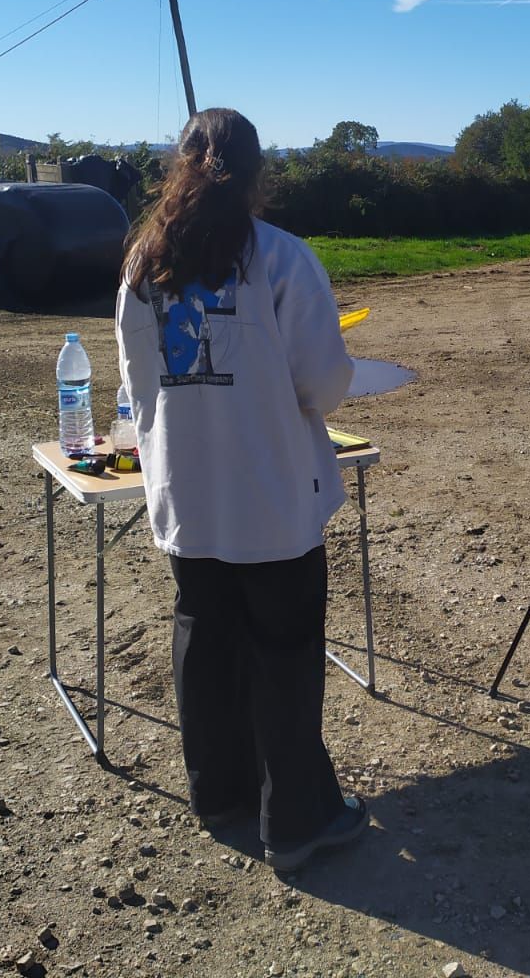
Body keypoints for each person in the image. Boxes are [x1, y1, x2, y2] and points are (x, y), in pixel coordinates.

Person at [114, 107, 367, 871]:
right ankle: (296, 821)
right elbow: (322, 383)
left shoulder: (141, 264)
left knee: (207, 644)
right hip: (272, 501)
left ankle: (220, 795)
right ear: (257, 176)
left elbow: (137, 385)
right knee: (284, 657)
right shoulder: (283, 259)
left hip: (189, 497)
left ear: (178, 166)